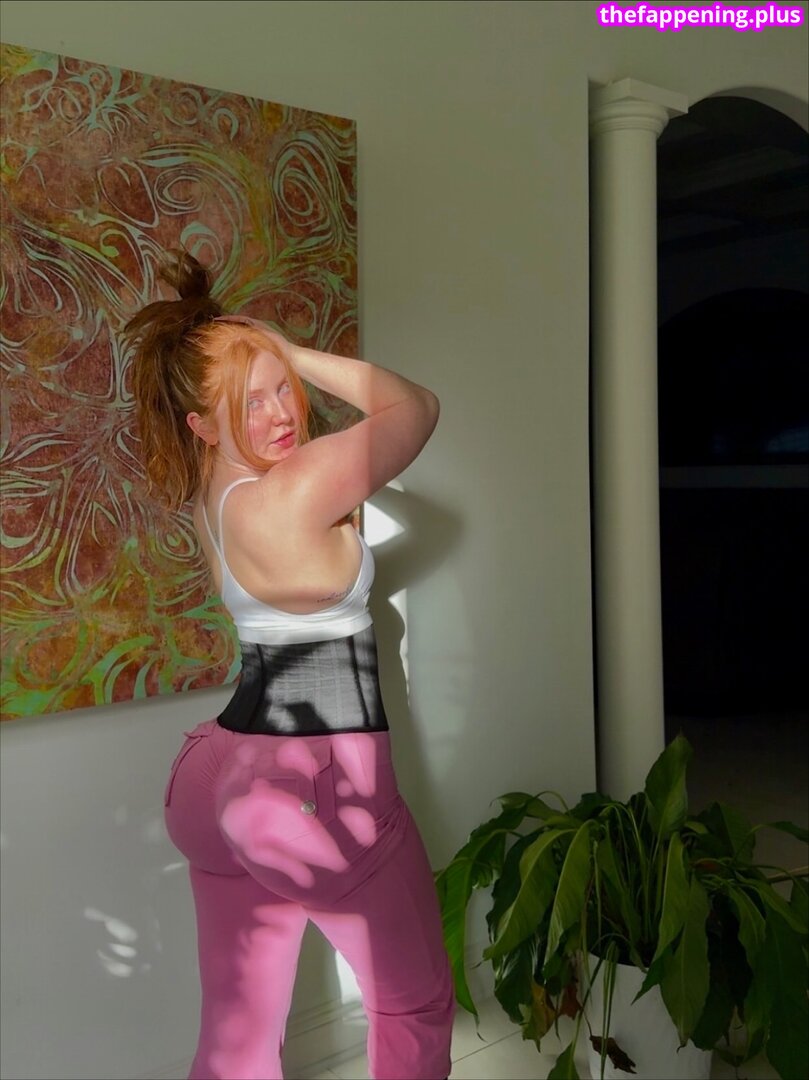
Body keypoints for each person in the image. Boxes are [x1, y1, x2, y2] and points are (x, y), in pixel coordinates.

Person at [125, 250, 454, 1080]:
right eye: (249, 401)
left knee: (236, 1038)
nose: (279, 414)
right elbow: (415, 406)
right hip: (316, 781)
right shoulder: (301, 483)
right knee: (412, 1008)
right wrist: (296, 351)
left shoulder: (213, 495)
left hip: (216, 780)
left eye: (281, 388)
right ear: (201, 426)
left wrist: (255, 358)